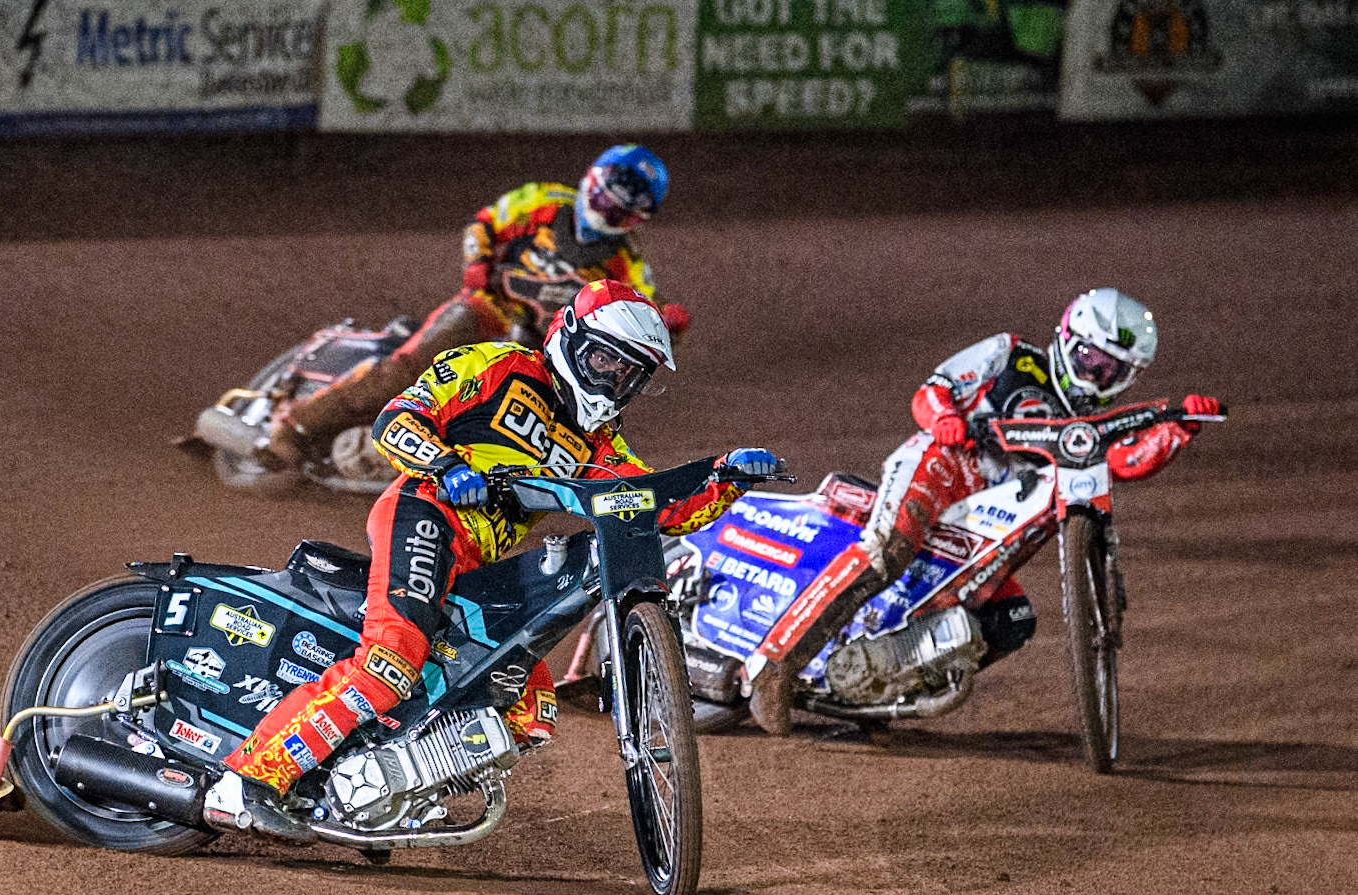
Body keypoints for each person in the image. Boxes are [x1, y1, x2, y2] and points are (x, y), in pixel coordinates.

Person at [212, 280, 776, 840]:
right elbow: (397, 419)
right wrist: (444, 463)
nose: (614, 381)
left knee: (527, 711)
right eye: (605, 360)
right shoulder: (499, 365)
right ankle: (248, 780)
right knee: (391, 661)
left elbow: (654, 506)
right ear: (572, 340)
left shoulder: (599, 443)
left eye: (630, 374)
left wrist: (726, 478)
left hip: (479, 559)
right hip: (425, 513)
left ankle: (387, 789)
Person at [744, 288, 1223, 735]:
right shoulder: (1012, 354)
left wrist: (1178, 431)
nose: (1095, 378)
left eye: (1112, 372)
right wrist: (946, 419)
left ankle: (884, 690)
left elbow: (1124, 462)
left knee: (1011, 620)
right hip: (943, 467)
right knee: (888, 550)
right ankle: (775, 665)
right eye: (1089, 360)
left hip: (987, 522)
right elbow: (933, 389)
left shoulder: (1095, 426)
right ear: (1066, 338)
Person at [268, 144, 691, 470]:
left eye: (623, 213)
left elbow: (642, 307)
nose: (609, 216)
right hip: (490, 309)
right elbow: (484, 223)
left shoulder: (627, 261)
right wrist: (477, 266)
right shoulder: (543, 200)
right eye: (608, 203)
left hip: (539, 346)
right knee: (408, 367)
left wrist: (666, 320)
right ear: (592, 183)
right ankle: (297, 426)